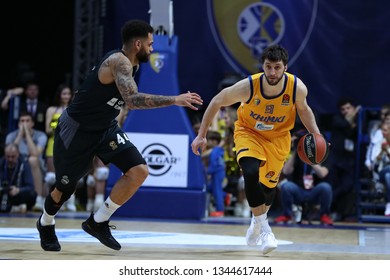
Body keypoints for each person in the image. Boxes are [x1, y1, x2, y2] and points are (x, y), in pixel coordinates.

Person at [36, 19, 202, 252]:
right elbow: (132, 101)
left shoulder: (133, 64)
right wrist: (175, 99)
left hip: (105, 128)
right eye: (150, 44)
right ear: (137, 44)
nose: (152, 49)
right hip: (77, 130)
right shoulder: (120, 62)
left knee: (139, 171)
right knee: (65, 188)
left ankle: (98, 221)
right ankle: (46, 222)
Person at [191, 44, 322, 255]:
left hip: (278, 138)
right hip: (249, 133)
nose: (272, 72)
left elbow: (304, 110)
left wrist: (316, 135)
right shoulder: (249, 86)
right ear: (263, 66)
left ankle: (257, 222)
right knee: (250, 172)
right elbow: (217, 101)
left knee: (268, 188)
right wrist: (201, 135)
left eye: (277, 67)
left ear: (285, 68)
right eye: (268, 67)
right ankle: (266, 230)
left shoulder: (297, 88)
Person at [274, 130, 334, 225]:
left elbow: (322, 173)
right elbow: (286, 171)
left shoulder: (325, 155)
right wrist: (296, 150)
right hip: (299, 190)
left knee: (326, 187)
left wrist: (310, 158)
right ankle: (287, 214)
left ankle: (324, 215)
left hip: (314, 191)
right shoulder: (299, 154)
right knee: (286, 186)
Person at [5, 111, 47, 211]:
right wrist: (20, 134)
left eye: (27, 121)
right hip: (17, 167)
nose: (24, 123)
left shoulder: (41, 136)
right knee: (9, 161)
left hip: (36, 168)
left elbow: (35, 153)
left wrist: (27, 134)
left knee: (32, 160)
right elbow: (11, 152)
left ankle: (38, 199)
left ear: (32, 123)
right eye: (22, 121)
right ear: (18, 123)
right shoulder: (11, 136)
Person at [44, 84, 75, 211]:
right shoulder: (51, 110)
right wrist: (58, 127)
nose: (66, 96)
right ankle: (48, 202)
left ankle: (70, 202)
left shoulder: (74, 108)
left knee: (70, 175)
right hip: (53, 142)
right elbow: (47, 129)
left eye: (68, 94)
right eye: (64, 94)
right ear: (59, 95)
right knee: (51, 176)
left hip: (70, 144)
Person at [330, 96, 360, 221]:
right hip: (335, 160)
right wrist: (353, 116)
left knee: (347, 186)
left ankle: (341, 211)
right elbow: (345, 124)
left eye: (348, 108)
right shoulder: (337, 119)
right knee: (333, 185)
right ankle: (331, 211)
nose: (346, 111)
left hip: (348, 162)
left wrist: (354, 120)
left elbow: (354, 132)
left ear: (353, 108)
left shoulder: (357, 122)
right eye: (343, 109)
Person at [0, 143, 36, 213]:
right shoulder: (1, 163)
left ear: (18, 154)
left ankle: (12, 208)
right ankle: (13, 209)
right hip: (2, 193)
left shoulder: (24, 164)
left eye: (13, 157)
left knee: (32, 194)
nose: (10, 159)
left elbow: (30, 186)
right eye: (8, 157)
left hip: (16, 194)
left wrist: (19, 190)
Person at [205, 130, 227, 217]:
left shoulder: (214, 151)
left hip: (217, 173)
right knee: (212, 189)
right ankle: (226, 196)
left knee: (217, 190)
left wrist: (207, 171)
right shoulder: (219, 150)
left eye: (208, 140)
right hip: (219, 172)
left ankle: (220, 210)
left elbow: (214, 164)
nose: (207, 142)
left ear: (214, 141)